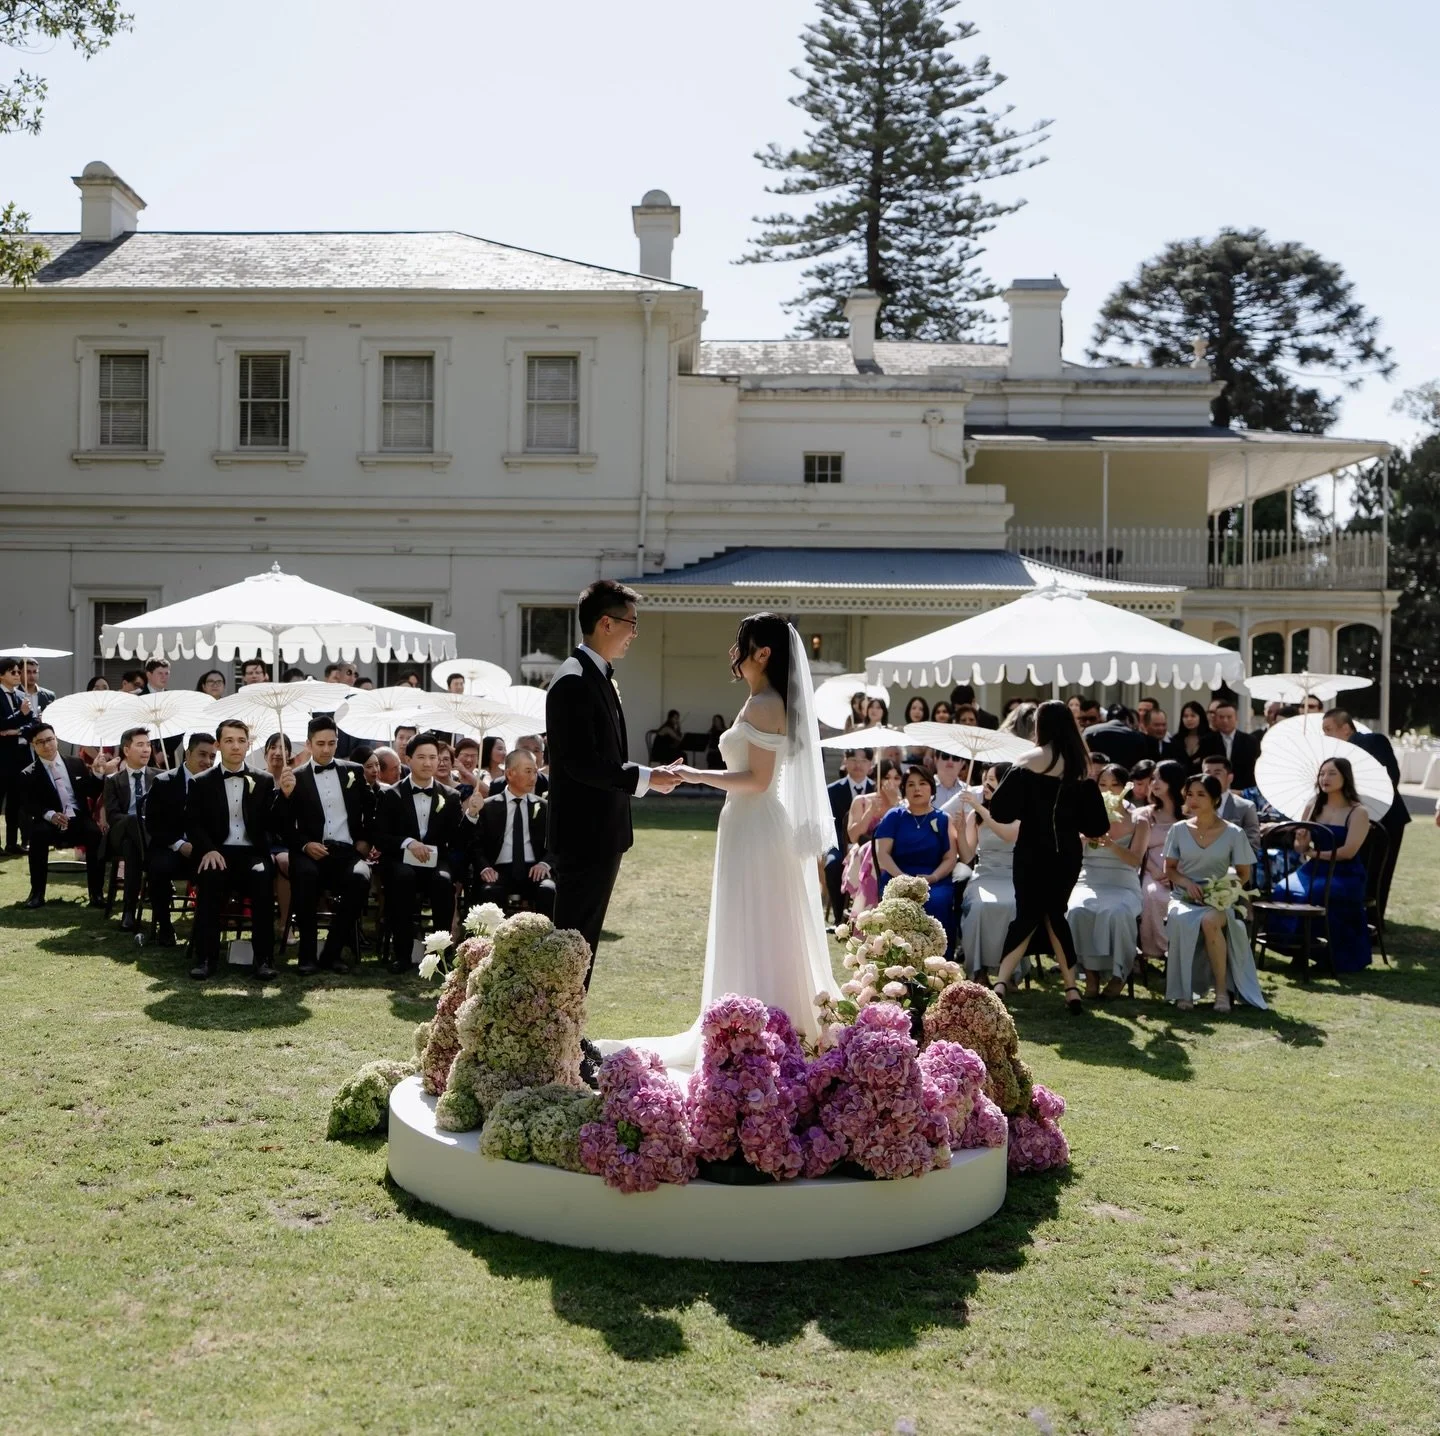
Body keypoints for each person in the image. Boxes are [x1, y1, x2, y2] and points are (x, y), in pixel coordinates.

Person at [614, 612, 836, 1064]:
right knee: (746, 918)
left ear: (764, 653)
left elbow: (757, 778)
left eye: (742, 644)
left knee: (758, 921)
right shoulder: (760, 700)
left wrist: (696, 774)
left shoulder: (764, 704)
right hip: (745, 824)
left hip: (756, 824)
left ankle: (763, 1029)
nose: (734, 652)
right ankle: (740, 1023)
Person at [544, 580, 680, 981]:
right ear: (606, 622)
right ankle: (559, 1036)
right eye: (631, 624)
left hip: (602, 834)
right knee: (572, 944)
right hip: (584, 837)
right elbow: (578, 763)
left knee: (581, 946)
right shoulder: (573, 680)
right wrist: (645, 777)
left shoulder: (595, 675)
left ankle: (567, 1033)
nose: (635, 634)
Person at [988, 700, 1109, 1012]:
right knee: (1055, 915)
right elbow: (1097, 824)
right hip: (1066, 854)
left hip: (1030, 851)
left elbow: (1001, 811)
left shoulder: (1026, 761)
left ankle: (1000, 982)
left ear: (1040, 726)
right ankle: (1071, 989)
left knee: (1027, 914)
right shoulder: (1080, 768)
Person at [274, 714, 372, 975]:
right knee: (306, 876)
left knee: (361, 878)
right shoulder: (293, 777)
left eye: (331, 743)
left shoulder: (354, 772)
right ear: (308, 744)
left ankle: (332, 952)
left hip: (346, 851)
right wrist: (305, 845)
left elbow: (372, 810)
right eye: (320, 743)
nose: (326, 749)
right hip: (309, 851)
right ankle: (306, 955)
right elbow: (281, 825)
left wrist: (364, 841)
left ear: (337, 742)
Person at [373, 731, 475, 973]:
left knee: (444, 881)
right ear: (408, 759)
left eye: (433, 757)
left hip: (435, 862)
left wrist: (471, 816)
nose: (429, 763)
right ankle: (402, 955)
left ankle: (441, 954)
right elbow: (380, 836)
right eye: (421, 757)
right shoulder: (390, 794)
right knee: (403, 878)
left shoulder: (450, 796)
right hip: (400, 863)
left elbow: (458, 839)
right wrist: (407, 842)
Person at [186, 718, 279, 981]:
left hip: (253, 854)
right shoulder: (201, 782)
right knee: (211, 880)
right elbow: (192, 824)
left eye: (241, 741)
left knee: (262, 877)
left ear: (248, 745)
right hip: (218, 851)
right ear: (218, 745)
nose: (235, 746)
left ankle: (263, 960)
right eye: (229, 740)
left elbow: (274, 824)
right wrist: (208, 849)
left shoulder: (263, 780)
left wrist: (284, 796)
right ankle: (205, 959)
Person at [1163, 774, 1266, 1011]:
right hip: (1183, 897)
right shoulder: (1178, 830)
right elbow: (1169, 870)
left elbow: (1243, 873)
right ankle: (1184, 992)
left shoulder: (1233, 833)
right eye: (1190, 794)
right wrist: (1187, 883)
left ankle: (1221, 992)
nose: (1194, 800)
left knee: (1210, 921)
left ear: (1215, 798)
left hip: (1219, 899)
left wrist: (1221, 890)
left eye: (1201, 794)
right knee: (1180, 919)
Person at [1267, 757, 1373, 972]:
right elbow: (1300, 848)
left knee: (1314, 894)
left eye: (1332, 773)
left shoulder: (1358, 812)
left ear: (1345, 777)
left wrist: (1315, 853)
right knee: (1283, 888)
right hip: (1313, 869)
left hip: (1345, 872)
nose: (1325, 778)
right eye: (1322, 773)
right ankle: (1295, 948)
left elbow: (1348, 851)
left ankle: (1324, 952)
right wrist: (1302, 838)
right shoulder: (1313, 804)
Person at [1067, 763, 1148, 999]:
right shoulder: (1084, 814)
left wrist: (1111, 844)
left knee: (1117, 912)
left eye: (1115, 785)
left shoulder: (1138, 820)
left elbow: (1135, 860)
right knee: (1077, 909)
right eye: (1103, 785)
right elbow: (1070, 851)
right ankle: (1090, 974)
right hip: (1089, 879)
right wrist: (1083, 838)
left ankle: (1119, 974)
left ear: (1125, 788)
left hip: (1122, 882)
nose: (1108, 790)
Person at [1322, 708, 1408, 918]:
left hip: (1386, 818)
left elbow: (1390, 777)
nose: (1325, 735)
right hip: (1352, 819)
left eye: (1328, 729)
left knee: (1378, 870)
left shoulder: (1373, 741)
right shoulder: (1334, 755)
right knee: (1357, 869)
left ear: (1345, 728)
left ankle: (1373, 921)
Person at [19, 722, 106, 908]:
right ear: (34, 746)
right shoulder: (28, 774)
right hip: (50, 821)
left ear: (56, 739)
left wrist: (98, 775)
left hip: (78, 818)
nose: (47, 745)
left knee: (95, 834)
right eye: (40, 742)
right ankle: (37, 894)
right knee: (37, 835)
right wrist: (50, 815)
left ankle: (96, 894)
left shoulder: (76, 763)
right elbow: (29, 805)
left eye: (50, 739)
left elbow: (92, 791)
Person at [874, 767, 963, 949]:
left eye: (922, 784)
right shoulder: (894, 816)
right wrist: (902, 878)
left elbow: (950, 857)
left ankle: (937, 959)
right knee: (897, 906)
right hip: (896, 876)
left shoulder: (942, 819)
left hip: (933, 879)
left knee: (937, 901)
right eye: (911, 784)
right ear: (904, 790)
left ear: (932, 788)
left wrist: (933, 877)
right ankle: (896, 957)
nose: (917, 789)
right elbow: (882, 854)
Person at [144, 731, 216, 947]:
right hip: (170, 846)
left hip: (204, 848)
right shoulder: (164, 782)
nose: (207, 761)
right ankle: (164, 925)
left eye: (212, 756)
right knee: (158, 868)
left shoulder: (215, 783)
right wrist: (179, 844)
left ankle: (207, 929)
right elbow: (153, 825)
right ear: (188, 754)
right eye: (202, 755)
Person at [471, 748, 555, 918]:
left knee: (548, 889)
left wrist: (545, 864)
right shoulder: (488, 807)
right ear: (510, 773)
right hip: (499, 869)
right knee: (489, 892)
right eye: (528, 771)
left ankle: (548, 941)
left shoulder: (543, 807)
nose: (534, 777)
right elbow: (474, 844)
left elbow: (556, 843)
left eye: (535, 771)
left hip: (534, 869)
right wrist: (484, 866)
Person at [957, 762, 1021, 979]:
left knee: (1013, 906)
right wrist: (959, 832)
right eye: (985, 778)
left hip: (1013, 876)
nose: (985, 784)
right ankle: (978, 969)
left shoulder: (1021, 812)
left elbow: (1008, 835)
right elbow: (967, 856)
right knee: (979, 907)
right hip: (984, 875)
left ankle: (1008, 972)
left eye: (992, 779)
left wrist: (979, 808)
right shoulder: (974, 816)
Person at [102, 725, 157, 931]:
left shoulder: (160, 777)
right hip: (121, 831)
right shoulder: (114, 780)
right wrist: (138, 820)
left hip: (143, 837)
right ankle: (152, 866)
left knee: (132, 848)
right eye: (140, 745)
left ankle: (128, 910)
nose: (146, 750)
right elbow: (113, 816)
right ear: (126, 750)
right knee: (134, 822)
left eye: (148, 745)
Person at [842, 758, 902, 915]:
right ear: (878, 778)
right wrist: (870, 812)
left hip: (895, 856)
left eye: (896, 778)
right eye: (887, 777)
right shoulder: (861, 801)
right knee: (872, 854)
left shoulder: (904, 805)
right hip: (863, 854)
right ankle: (868, 914)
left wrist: (895, 805)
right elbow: (853, 837)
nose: (892, 782)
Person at [824, 747, 874, 924]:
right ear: (845, 761)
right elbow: (830, 823)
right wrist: (846, 845)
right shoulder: (831, 790)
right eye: (853, 759)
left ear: (871, 765)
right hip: (839, 843)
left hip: (869, 846)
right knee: (832, 865)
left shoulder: (876, 790)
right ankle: (839, 919)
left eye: (863, 761)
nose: (858, 764)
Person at [0, 656, 34, 854]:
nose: (17, 675)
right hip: (2, 758)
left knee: (16, 802)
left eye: (18, 672)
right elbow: (1, 724)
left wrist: (16, 730)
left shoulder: (22, 697)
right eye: (13, 672)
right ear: (1, 675)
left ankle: (12, 843)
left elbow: (32, 724)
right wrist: (19, 717)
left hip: (21, 756)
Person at [1201, 755, 1260, 852]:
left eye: (1217, 773)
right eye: (1207, 773)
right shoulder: (1193, 807)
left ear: (1230, 778)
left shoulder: (1245, 807)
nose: (1211, 778)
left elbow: (1253, 845)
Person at [1084, 705, 1154, 771]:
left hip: (1095, 776)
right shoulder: (1137, 737)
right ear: (1127, 719)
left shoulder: (1089, 732)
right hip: (1126, 779)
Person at [1209, 700, 1259, 788]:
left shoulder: (1250, 741)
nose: (1225, 721)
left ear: (1236, 718)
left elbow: (1253, 769)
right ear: (1216, 719)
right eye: (1221, 717)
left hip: (1242, 790)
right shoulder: (1207, 741)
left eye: (1229, 717)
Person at [1162, 700, 1222, 774]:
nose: (1189, 719)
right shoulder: (1176, 739)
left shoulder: (1213, 738)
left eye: (1193, 716)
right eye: (1185, 716)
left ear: (1201, 717)